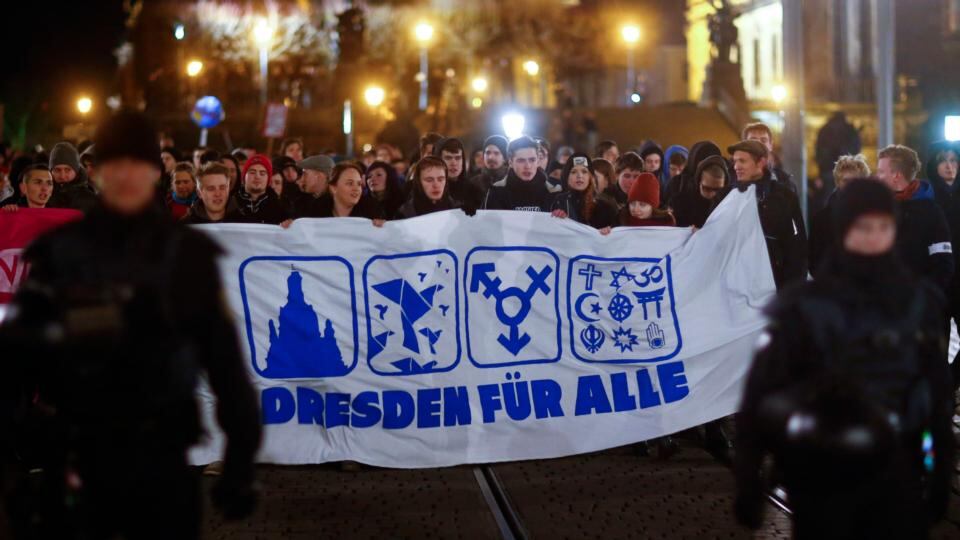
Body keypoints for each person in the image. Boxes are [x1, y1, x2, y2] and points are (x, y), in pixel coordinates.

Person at [0, 110, 261, 539]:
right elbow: (16, 363)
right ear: (97, 172)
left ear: (154, 172)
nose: (125, 176)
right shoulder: (59, 254)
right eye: (114, 164)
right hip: (79, 461)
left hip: (163, 459)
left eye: (136, 164)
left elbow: (227, 367)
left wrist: (240, 462)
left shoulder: (188, 255)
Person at [734, 179, 954, 538]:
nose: (874, 237)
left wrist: (940, 469)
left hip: (895, 472)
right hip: (821, 473)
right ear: (843, 229)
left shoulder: (917, 302)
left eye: (883, 227)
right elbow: (762, 393)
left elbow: (935, 394)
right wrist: (749, 477)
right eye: (863, 227)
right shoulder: (804, 305)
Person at [717, 140, 807, 289]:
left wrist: (792, 288)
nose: (736, 166)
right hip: (735, 288)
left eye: (742, 161)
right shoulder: (724, 197)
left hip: (775, 285)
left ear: (761, 162)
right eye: (734, 161)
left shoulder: (784, 196)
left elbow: (797, 244)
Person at [876, 144, 954, 292]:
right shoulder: (874, 210)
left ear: (896, 176)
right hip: (879, 308)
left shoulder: (930, 212)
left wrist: (924, 301)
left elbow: (943, 264)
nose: (876, 176)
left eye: (880, 172)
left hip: (917, 308)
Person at [808, 154, 871, 275]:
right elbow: (814, 262)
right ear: (838, 182)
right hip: (832, 288)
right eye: (846, 180)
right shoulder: (821, 220)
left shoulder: (874, 218)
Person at [482, 136, 561, 212]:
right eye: (521, 161)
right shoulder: (496, 192)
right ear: (510, 162)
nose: (527, 166)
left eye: (532, 160)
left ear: (538, 161)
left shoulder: (554, 192)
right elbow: (488, 223)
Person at [550, 153, 618, 230]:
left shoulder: (605, 208)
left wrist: (607, 233)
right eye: (574, 172)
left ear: (590, 177)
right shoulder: (559, 202)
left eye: (584, 171)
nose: (579, 176)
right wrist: (555, 219)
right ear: (567, 177)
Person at [306, 161, 385, 220]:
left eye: (359, 184)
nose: (356, 189)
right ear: (333, 188)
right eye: (350, 183)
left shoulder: (373, 210)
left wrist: (383, 226)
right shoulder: (315, 210)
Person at [670, 155, 731, 228]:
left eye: (718, 189)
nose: (712, 194)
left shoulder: (728, 201)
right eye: (707, 188)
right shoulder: (681, 200)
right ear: (699, 181)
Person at [230, 154, 289, 225]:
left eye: (262, 173)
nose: (257, 176)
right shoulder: (231, 202)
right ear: (244, 177)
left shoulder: (279, 207)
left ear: (268, 179)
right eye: (252, 172)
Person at [743, 122, 796, 193]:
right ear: (744, 145)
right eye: (753, 140)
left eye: (763, 140)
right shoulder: (731, 177)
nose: (759, 144)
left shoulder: (785, 182)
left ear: (771, 145)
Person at [46, 142, 98, 214]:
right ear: (51, 171)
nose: (62, 176)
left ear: (76, 171)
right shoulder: (44, 196)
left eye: (67, 170)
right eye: (57, 170)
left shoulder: (90, 200)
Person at [433, 137, 484, 211]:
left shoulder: (474, 191)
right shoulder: (432, 188)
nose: (454, 163)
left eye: (458, 158)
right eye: (448, 158)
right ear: (439, 160)